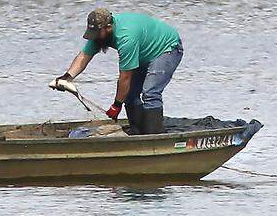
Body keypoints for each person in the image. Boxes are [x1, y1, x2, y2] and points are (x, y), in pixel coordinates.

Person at [50, 8, 183, 135]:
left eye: (96, 34)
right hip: (143, 51)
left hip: (167, 48)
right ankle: (137, 133)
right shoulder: (99, 34)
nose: (94, 37)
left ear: (108, 27)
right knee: (129, 94)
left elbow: (125, 78)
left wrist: (116, 106)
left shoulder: (126, 38)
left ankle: (154, 136)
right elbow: (84, 56)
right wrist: (66, 77)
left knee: (150, 93)